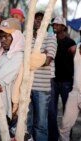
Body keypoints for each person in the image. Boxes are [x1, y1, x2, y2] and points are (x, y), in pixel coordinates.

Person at [27, 11, 57, 141]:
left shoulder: (51, 38)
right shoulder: (27, 38)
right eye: (36, 18)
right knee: (26, 124)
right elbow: (23, 59)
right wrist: (41, 55)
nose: (38, 21)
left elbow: (47, 61)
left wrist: (33, 58)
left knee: (40, 125)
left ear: (47, 23)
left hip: (42, 88)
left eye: (41, 19)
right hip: (26, 87)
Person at [48, 16, 76, 141]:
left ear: (63, 27)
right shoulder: (51, 41)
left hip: (66, 82)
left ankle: (67, 137)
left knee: (67, 111)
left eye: (58, 24)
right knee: (52, 111)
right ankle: (53, 137)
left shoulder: (71, 43)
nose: (55, 26)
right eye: (54, 24)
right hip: (53, 80)